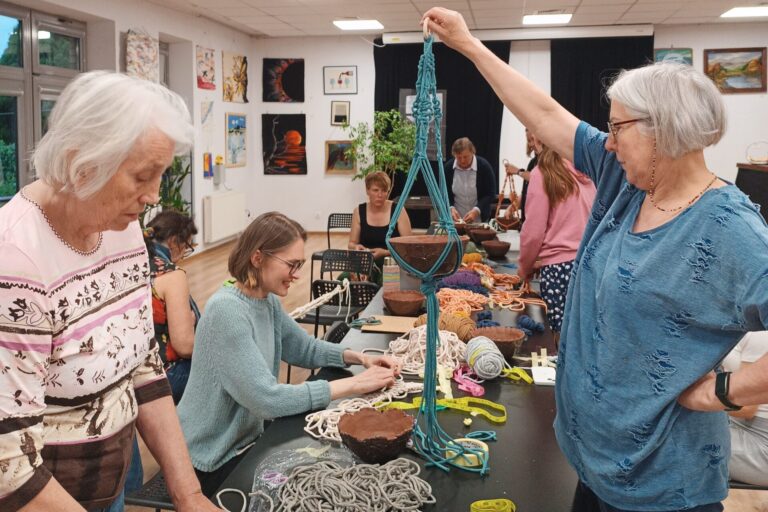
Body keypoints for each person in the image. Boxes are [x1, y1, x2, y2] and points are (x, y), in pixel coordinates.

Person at [422, 8, 768, 511]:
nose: (606, 140)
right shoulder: (624, 180)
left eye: (617, 127)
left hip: (662, 486)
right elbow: (545, 116)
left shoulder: (730, 227)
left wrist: (723, 391)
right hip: (595, 461)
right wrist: (469, 45)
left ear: (661, 130)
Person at [0, 71, 218, 512]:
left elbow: (143, 364)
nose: (154, 195)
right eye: (142, 176)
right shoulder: (16, 262)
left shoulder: (120, 228)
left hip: (108, 490)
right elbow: (9, 463)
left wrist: (190, 495)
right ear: (84, 164)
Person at [178, 212, 400, 496]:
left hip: (244, 440)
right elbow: (266, 399)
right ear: (258, 258)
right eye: (291, 265)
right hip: (211, 458)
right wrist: (353, 385)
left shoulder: (265, 300)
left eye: (300, 264)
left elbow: (303, 348)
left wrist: (360, 358)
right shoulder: (227, 311)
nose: (297, 274)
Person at [517, 137, 595, 338]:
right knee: (583, 336)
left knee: (558, 341)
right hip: (590, 266)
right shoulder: (585, 173)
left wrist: (525, 268)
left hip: (558, 272)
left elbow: (533, 233)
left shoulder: (542, 174)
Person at [143, 210, 200, 404]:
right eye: (186, 246)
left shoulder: (132, 263)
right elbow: (184, 346)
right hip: (164, 374)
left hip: (133, 373)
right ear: (174, 241)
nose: (184, 254)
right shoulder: (170, 275)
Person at [721, 331, 768, 487]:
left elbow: (746, 408)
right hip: (735, 425)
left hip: (761, 445)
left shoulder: (760, 333)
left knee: (675, 441)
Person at [348, 171, 412, 283]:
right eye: (375, 190)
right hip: (366, 262)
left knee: (384, 281)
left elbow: (408, 246)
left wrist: (385, 252)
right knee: (343, 279)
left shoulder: (398, 210)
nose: (380, 195)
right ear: (367, 191)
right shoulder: (359, 211)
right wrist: (356, 248)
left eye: (384, 191)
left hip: (393, 261)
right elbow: (351, 243)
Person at [445, 137, 496, 223]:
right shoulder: (448, 168)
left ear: (473, 152)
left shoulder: (484, 166)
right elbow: (444, 193)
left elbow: (490, 194)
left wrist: (477, 210)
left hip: (479, 220)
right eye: (459, 157)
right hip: (455, 221)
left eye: (465, 157)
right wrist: (450, 208)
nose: (462, 161)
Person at [503, 128, 539, 226]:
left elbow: (540, 180)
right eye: (529, 141)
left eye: (533, 139)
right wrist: (512, 207)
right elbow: (526, 194)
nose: (531, 144)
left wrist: (518, 171)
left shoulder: (549, 163)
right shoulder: (532, 163)